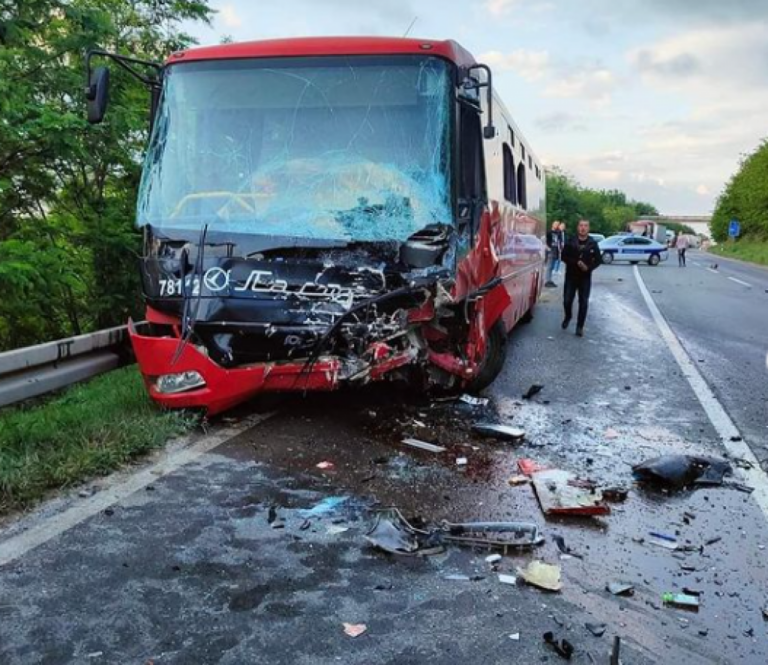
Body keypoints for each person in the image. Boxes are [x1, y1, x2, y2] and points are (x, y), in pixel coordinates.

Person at [561, 219, 602, 337]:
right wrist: (576, 262)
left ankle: (580, 327)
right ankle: (568, 316)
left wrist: (588, 267)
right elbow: (563, 256)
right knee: (567, 300)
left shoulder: (592, 243)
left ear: (588, 228)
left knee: (583, 302)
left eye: (585, 226)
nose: (583, 228)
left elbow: (598, 260)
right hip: (571, 276)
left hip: (585, 277)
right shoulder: (570, 241)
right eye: (581, 225)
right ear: (577, 227)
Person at [544, 220, 563, 287]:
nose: (557, 226)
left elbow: (560, 241)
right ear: (553, 224)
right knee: (549, 266)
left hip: (556, 251)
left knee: (552, 267)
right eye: (555, 224)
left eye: (558, 224)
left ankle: (549, 280)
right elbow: (544, 240)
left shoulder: (558, 233)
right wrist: (547, 248)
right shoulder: (549, 232)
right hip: (550, 250)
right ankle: (547, 281)